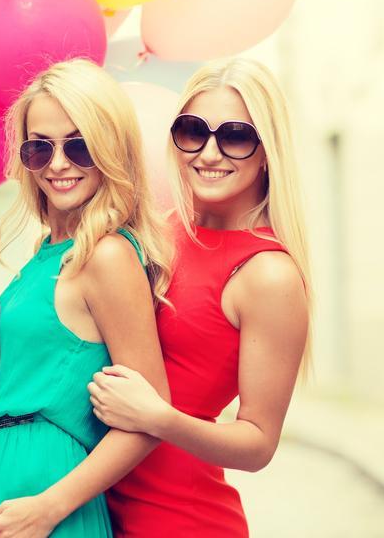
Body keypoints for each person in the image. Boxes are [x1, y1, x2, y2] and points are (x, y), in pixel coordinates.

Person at [89, 57, 312, 538]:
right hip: (97, 503)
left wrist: (159, 418)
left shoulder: (268, 275)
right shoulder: (155, 234)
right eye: (193, 131)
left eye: (234, 136)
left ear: (266, 151)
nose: (209, 153)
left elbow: (257, 444)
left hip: (178, 519)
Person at [0, 59, 171, 538]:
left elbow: (149, 416)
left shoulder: (106, 255)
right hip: (7, 486)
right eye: (40, 148)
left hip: (50, 496)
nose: (57, 164)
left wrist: (48, 507)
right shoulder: (47, 252)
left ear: (109, 147)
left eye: (78, 145)